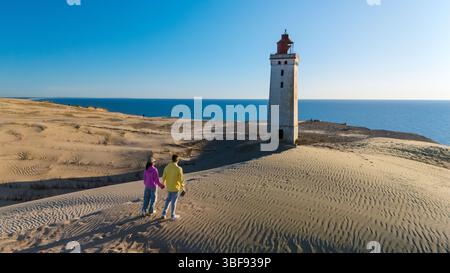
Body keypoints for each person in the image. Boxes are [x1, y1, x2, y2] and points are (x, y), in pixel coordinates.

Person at [161, 154, 186, 221]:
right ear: (177, 160)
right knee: (173, 202)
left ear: (172, 159)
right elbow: (181, 179)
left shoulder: (167, 167)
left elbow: (164, 177)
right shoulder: (179, 169)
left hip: (169, 187)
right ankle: (172, 215)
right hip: (175, 188)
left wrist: (163, 184)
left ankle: (163, 214)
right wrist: (183, 188)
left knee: (168, 200)